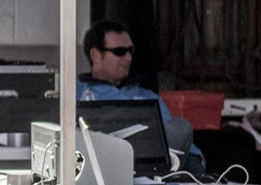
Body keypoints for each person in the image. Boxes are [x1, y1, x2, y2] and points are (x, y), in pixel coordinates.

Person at [75, 19, 202, 169]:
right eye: (120, 52)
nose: (128, 58)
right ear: (95, 55)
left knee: (181, 126)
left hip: (153, 174)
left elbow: (181, 142)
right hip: (101, 170)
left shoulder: (148, 96)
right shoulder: (76, 93)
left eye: (131, 51)